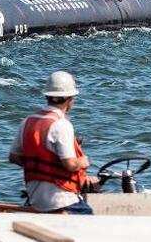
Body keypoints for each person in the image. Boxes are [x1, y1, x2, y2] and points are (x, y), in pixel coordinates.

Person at [9, 71, 98, 214]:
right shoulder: (61, 124)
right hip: (60, 201)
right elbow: (70, 164)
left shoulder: (28, 121)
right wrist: (84, 161)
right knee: (90, 218)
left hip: (35, 198)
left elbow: (13, 157)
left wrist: (40, 166)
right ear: (70, 100)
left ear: (47, 96)